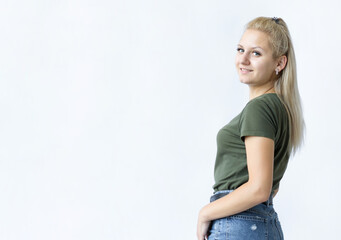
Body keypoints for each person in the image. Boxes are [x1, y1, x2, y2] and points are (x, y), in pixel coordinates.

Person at [197, 16, 305, 240]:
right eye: (240, 49)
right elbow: (270, 187)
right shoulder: (279, 107)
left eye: (256, 53)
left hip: (239, 224)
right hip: (259, 223)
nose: (243, 60)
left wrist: (205, 213)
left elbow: (259, 188)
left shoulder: (260, 108)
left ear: (279, 63)